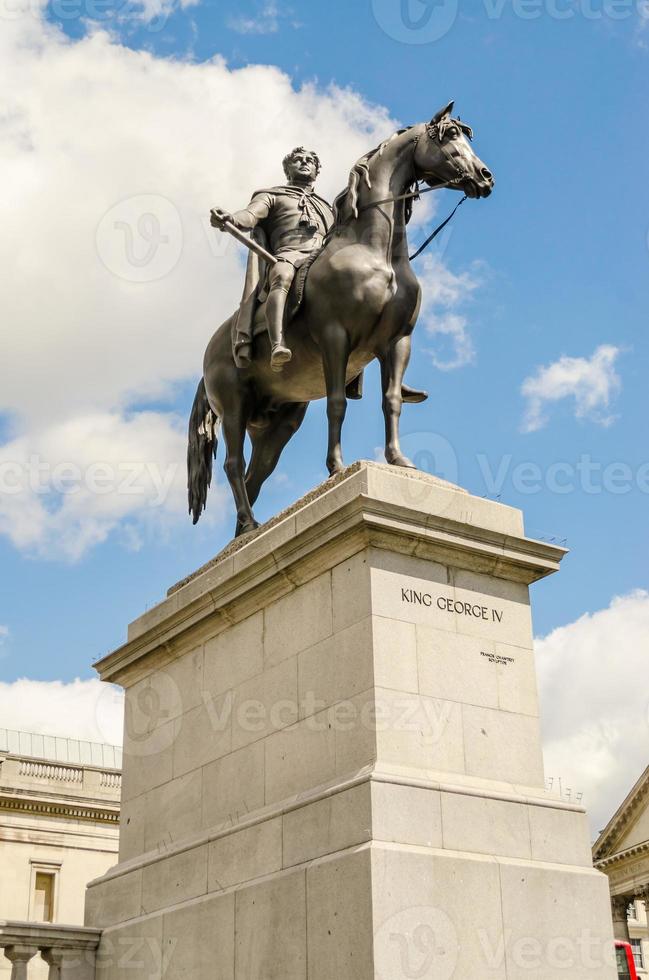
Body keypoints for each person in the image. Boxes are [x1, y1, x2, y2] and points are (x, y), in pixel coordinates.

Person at [211, 146, 332, 372]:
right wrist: (231, 218)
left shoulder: (328, 207)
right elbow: (250, 216)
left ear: (317, 171)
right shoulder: (271, 195)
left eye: (310, 161)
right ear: (288, 169)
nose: (304, 163)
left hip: (323, 257)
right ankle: (278, 344)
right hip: (288, 254)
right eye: (298, 160)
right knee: (282, 276)